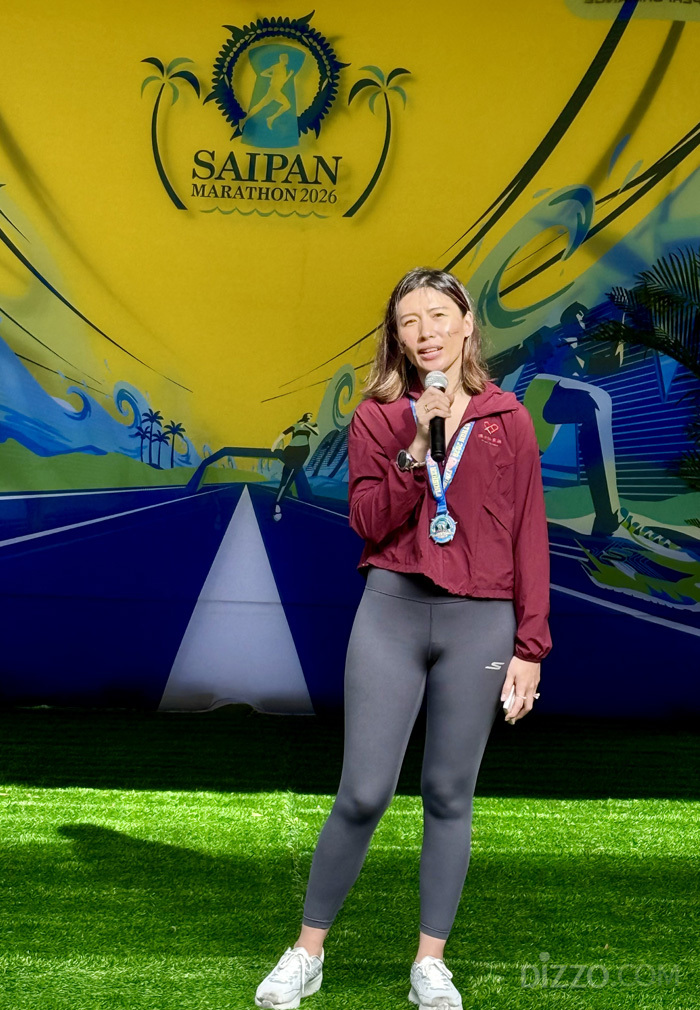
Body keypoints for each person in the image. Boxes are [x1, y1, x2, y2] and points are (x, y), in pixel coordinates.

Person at [255, 267, 552, 1010]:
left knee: (449, 793)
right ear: (397, 335)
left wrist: (530, 647)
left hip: (481, 621)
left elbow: (529, 535)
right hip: (391, 611)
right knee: (363, 793)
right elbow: (367, 522)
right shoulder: (378, 417)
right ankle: (307, 952)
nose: (425, 332)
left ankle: (429, 964)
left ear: (467, 324)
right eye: (409, 321)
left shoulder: (508, 419)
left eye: (438, 316)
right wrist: (418, 446)